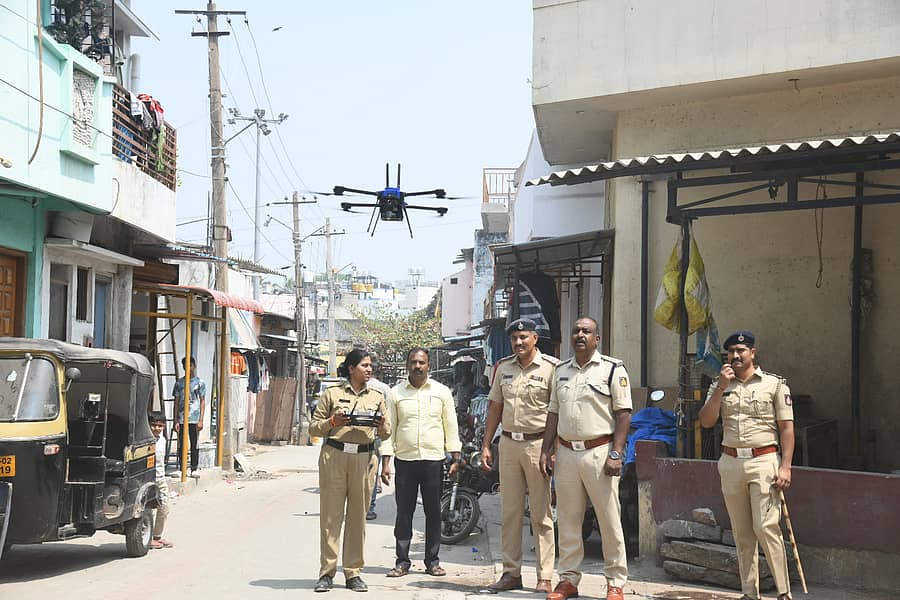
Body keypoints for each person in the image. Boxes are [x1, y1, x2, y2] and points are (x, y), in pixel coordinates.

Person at [540, 317, 631, 600]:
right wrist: (546, 449)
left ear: (597, 338)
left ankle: (615, 582)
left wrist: (616, 453)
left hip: (599, 452)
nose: (580, 335)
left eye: (586, 331)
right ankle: (568, 580)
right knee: (567, 519)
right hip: (566, 452)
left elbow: (624, 413)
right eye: (576, 331)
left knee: (608, 518)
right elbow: (553, 412)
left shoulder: (613, 368)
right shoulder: (560, 370)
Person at [698, 331, 794, 600]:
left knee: (766, 527)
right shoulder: (720, 384)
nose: (736, 356)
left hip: (764, 461)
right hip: (730, 462)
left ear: (753, 352)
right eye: (731, 352)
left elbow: (786, 429)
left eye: (741, 350)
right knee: (741, 532)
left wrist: (785, 466)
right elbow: (705, 421)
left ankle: (784, 592)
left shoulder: (774, 385)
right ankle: (750, 594)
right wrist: (719, 387)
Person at [481, 318, 558, 594]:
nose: (518, 343)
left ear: (534, 338)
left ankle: (545, 576)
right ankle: (511, 573)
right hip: (509, 445)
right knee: (510, 512)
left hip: (539, 445)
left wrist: (551, 450)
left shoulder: (551, 368)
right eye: (514, 338)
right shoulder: (503, 368)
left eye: (523, 337)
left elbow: (555, 413)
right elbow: (494, 408)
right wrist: (487, 444)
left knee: (541, 514)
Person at [309, 349, 391, 593]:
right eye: (364, 365)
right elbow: (314, 428)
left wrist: (381, 424)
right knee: (331, 517)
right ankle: (327, 572)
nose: (369, 369)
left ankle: (353, 572)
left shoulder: (377, 396)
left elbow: (386, 433)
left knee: (358, 518)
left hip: (364, 458)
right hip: (335, 455)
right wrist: (333, 422)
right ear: (351, 368)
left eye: (370, 365)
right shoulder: (331, 393)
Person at [380, 347, 461, 578]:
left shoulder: (442, 392)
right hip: (404, 461)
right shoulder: (395, 394)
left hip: (433, 461)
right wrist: (386, 462)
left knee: (434, 512)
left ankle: (432, 561)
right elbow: (389, 430)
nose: (417, 366)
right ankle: (402, 562)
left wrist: (455, 455)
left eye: (421, 363)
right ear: (407, 365)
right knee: (404, 513)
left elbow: (451, 425)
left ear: (429, 366)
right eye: (413, 362)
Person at [366, 359, 392, 521]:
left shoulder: (356, 385)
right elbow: (388, 414)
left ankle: (360, 506)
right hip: (377, 435)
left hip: (357, 436)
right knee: (373, 472)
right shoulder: (385, 388)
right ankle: (369, 508)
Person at [173, 357, 206, 476]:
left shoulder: (199, 383)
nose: (188, 368)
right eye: (185, 366)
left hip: (194, 418)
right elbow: (176, 402)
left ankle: (194, 467)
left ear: (194, 365)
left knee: (194, 443)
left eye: (190, 365)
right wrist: (175, 420)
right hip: (182, 418)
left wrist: (201, 420)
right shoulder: (179, 383)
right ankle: (182, 468)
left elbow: (202, 401)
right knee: (181, 444)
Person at [148, 412, 173, 549]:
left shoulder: (162, 440)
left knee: (164, 508)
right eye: (154, 425)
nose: (157, 428)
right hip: (149, 480)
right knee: (150, 510)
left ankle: (157, 536)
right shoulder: (146, 440)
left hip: (160, 478)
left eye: (160, 426)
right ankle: (148, 537)